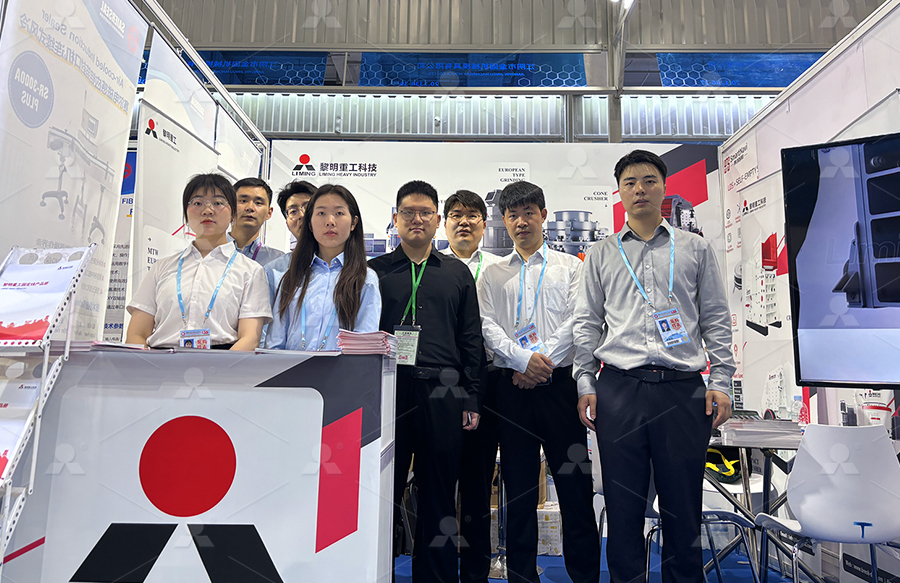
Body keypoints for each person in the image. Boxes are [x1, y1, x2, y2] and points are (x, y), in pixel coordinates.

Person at [574, 150, 734, 583]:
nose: (639, 189)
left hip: (682, 390)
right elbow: (587, 322)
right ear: (619, 192)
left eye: (648, 180)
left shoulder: (695, 248)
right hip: (619, 388)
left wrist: (721, 381)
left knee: (683, 506)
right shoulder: (602, 253)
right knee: (623, 507)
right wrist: (585, 382)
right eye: (629, 182)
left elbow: (716, 318)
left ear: (664, 187)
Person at [477, 180, 600, 583]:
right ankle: (521, 577)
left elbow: (578, 321)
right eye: (512, 214)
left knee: (575, 490)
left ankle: (585, 575)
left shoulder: (572, 267)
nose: (521, 221)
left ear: (544, 216)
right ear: (503, 220)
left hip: (561, 390)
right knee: (520, 492)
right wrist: (522, 360)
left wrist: (538, 363)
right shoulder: (492, 274)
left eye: (529, 213)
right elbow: (486, 326)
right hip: (511, 392)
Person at [368, 180, 483, 583]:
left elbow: (471, 339)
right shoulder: (374, 273)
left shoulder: (456, 273)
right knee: (382, 492)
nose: (416, 219)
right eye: (408, 212)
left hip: (443, 393)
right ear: (395, 218)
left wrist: (472, 397)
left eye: (425, 213)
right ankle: (374, 572)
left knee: (438, 496)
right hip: (389, 391)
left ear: (437, 220)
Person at [126, 173, 272, 350]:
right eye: (197, 203)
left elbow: (250, 338)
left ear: (233, 213)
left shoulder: (251, 271)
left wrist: (218, 368)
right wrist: (148, 365)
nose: (207, 210)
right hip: (160, 361)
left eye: (218, 203)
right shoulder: (161, 268)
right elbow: (136, 334)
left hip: (222, 361)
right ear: (186, 212)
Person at [440, 189, 502, 583]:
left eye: (472, 215)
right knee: (439, 482)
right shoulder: (431, 267)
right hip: (442, 385)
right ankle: (441, 568)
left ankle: (477, 570)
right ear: (444, 223)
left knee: (478, 485)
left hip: (488, 383)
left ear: (484, 223)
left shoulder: (499, 269)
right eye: (456, 215)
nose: (464, 222)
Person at [265, 184, 381, 351]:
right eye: (321, 213)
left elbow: (363, 347)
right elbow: (274, 344)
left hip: (342, 368)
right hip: (291, 367)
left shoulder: (365, 279)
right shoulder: (291, 277)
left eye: (339, 213)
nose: (330, 222)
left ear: (354, 222)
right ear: (310, 224)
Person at [263, 180, 316, 304]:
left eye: (308, 207)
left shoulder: (346, 267)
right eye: (293, 212)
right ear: (287, 223)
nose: (301, 215)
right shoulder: (273, 271)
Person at [228, 177, 286, 266]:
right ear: (230, 207)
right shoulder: (211, 252)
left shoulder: (278, 261)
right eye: (243, 201)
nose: (250, 208)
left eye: (258, 203)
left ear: (269, 213)